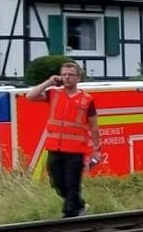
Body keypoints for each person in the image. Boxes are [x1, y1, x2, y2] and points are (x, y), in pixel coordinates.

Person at [27, 60, 100, 218]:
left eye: (71, 75)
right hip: (55, 147)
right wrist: (49, 82)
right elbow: (30, 96)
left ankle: (70, 214)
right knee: (57, 183)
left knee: (72, 184)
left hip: (75, 150)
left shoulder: (87, 99)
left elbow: (94, 126)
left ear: (78, 78)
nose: (67, 77)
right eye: (64, 74)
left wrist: (96, 149)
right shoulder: (54, 94)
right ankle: (80, 205)